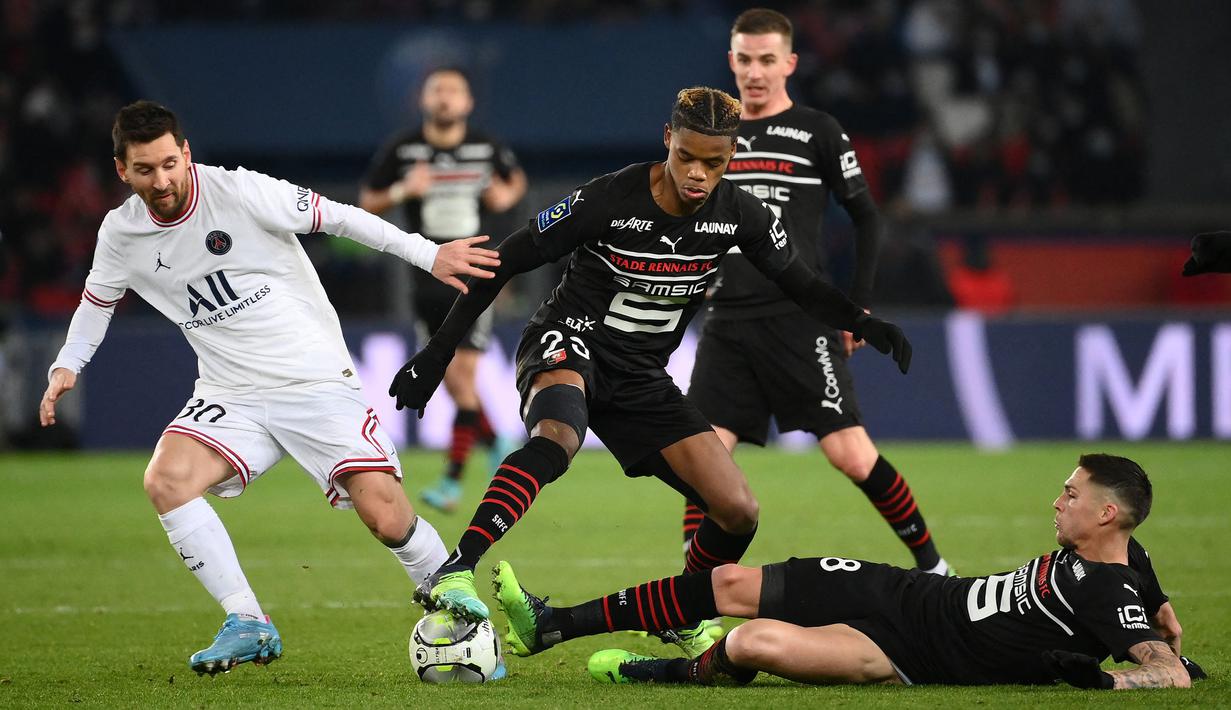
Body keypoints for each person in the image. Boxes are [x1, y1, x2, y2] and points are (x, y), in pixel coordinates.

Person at [388, 86, 912, 657]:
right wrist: (436, 355)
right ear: (668, 139)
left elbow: (803, 284)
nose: (698, 173)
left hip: (641, 375)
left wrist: (861, 319)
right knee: (559, 436)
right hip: (571, 339)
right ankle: (457, 568)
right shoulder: (610, 197)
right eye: (686, 156)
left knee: (738, 510)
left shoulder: (741, 214)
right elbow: (505, 260)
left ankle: (681, 612)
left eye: (714, 162)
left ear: (732, 156)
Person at [38, 101, 501, 676]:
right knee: (166, 479)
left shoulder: (240, 191)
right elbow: (97, 301)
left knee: (386, 518)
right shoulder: (121, 232)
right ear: (122, 170)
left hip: (313, 377)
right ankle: (247, 621)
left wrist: (427, 253)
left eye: (169, 164)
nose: (161, 181)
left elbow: (340, 218)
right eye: (145, 170)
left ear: (186, 154)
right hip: (230, 391)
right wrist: (68, 365)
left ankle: (467, 622)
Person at [494, 454, 1205, 690]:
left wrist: (1111, 680)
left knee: (750, 643)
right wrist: (1164, 611)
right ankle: (555, 624)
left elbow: (1168, 672)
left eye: (1071, 495)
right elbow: (1155, 607)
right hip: (906, 591)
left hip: (902, 655)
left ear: (1106, 513)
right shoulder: (1124, 559)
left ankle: (660, 673)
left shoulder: (1107, 589)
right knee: (731, 583)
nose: (1057, 502)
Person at [682, 8, 952, 575]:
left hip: (798, 318)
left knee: (850, 454)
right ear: (731, 61)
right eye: (745, 60)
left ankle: (934, 568)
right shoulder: (713, 138)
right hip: (727, 322)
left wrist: (857, 305)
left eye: (767, 60)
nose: (755, 72)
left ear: (790, 63)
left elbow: (867, 217)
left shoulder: (817, 131)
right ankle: (695, 592)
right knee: (704, 459)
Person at [360, 67, 527, 513]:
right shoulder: (403, 149)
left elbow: (515, 182)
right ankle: (498, 442)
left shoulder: (486, 146)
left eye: (454, 90)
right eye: (438, 90)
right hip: (426, 276)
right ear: (424, 100)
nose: (446, 98)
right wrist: (403, 189)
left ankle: (452, 483)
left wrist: (506, 197)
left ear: (467, 102)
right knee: (454, 384)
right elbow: (367, 201)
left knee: (460, 378)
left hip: (475, 273)